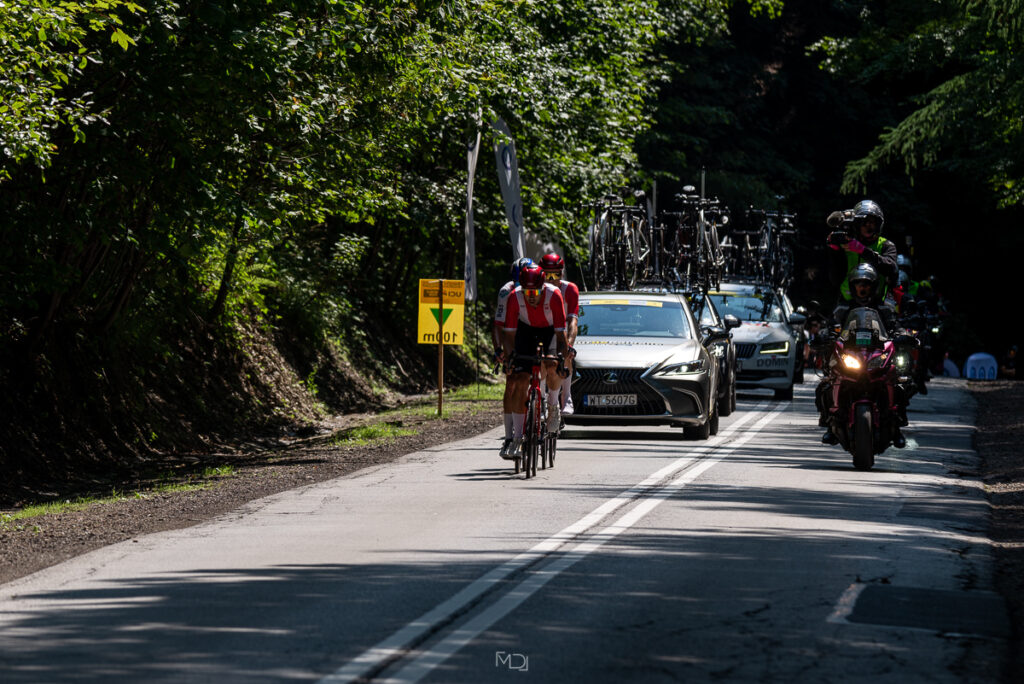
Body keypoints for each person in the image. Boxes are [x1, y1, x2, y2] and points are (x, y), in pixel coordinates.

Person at [500, 264, 570, 459]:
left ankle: (554, 406)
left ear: (543, 287)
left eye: (535, 291)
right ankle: (517, 438)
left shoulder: (554, 295)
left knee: (552, 366)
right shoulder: (515, 297)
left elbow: (561, 335)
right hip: (525, 331)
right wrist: (510, 358)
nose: (531, 295)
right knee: (520, 379)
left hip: (549, 331)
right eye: (527, 291)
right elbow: (509, 335)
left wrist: (562, 359)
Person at [494, 257, 534, 458]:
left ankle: (543, 403)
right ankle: (509, 436)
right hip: (513, 334)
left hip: (534, 333)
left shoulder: (540, 287)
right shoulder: (506, 291)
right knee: (511, 381)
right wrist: (498, 351)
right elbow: (499, 325)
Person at [826, 199, 899, 307]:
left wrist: (862, 250)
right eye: (864, 222)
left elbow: (891, 268)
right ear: (857, 225)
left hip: (878, 304)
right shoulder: (845, 244)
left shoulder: (886, 245)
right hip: (847, 303)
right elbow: (835, 279)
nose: (868, 226)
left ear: (878, 225)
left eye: (872, 222)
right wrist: (834, 250)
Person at [539, 252, 580, 417]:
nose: (550, 279)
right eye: (546, 274)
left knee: (566, 353)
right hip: (542, 328)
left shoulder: (570, 289)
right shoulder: (536, 288)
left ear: (561, 274)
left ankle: (567, 396)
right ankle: (539, 399)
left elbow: (573, 322)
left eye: (554, 274)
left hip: (561, 328)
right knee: (539, 359)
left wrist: (569, 343)